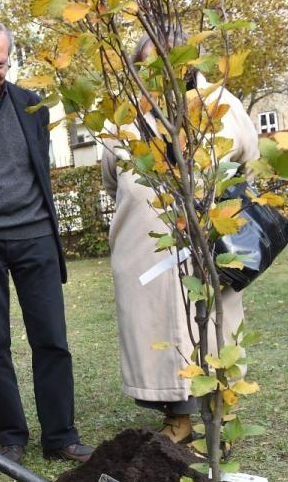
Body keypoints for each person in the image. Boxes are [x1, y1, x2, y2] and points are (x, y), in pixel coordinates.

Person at [0, 18, 93, 465]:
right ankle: (10, 438)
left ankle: (61, 436)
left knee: (51, 338)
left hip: (36, 236)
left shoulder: (33, 105)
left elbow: (38, 168)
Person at [101, 33, 259, 443]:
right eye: (148, 66)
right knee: (158, 329)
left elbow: (248, 162)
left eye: (170, 63)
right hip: (146, 243)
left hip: (209, 241)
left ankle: (221, 404)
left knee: (214, 320)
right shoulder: (124, 120)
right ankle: (176, 414)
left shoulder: (220, 106)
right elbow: (110, 178)